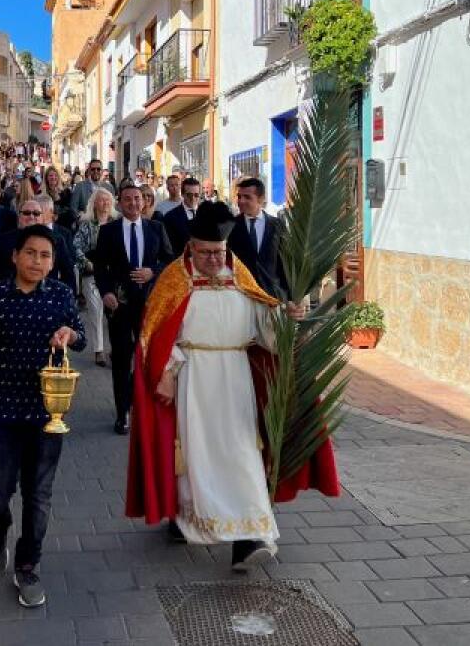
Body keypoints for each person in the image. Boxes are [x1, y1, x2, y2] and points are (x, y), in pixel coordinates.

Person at [125, 202, 340, 571]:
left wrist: (287, 317)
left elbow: (266, 332)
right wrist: (167, 372)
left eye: (219, 252)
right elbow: (154, 336)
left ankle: (249, 537)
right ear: (191, 247)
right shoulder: (174, 281)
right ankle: (187, 517)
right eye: (206, 252)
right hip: (195, 381)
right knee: (196, 459)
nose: (213, 259)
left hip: (237, 381)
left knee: (242, 453)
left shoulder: (241, 279)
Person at [0, 224, 85, 609]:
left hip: (47, 412)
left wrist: (70, 333)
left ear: (53, 263)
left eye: (45, 255)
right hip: (1, 405)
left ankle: (28, 564)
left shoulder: (63, 296)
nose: (38, 261)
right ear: (16, 256)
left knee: (39, 495)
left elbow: (80, 334)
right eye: (31, 253)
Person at [94, 183, 174, 435]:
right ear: (119, 203)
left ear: (144, 201)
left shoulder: (156, 228)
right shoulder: (108, 231)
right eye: (127, 199)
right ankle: (122, 412)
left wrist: (153, 271)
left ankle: (140, 403)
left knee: (148, 357)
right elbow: (100, 266)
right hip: (119, 305)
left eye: (137, 199)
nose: (133, 203)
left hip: (150, 305)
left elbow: (170, 260)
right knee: (121, 359)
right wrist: (106, 291)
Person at [0, 198, 77, 291]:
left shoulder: (57, 240)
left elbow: (68, 273)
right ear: (19, 216)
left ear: (42, 218)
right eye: (27, 213)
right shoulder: (4, 240)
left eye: (36, 213)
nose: (31, 217)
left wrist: (67, 299)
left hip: (48, 297)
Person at [227, 177, 289, 299]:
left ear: (260, 199)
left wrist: (289, 297)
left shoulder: (277, 225)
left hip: (272, 297)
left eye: (247, 197)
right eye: (239, 196)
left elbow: (284, 263)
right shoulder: (231, 226)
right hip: (242, 296)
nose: (241, 201)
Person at [74, 187, 115, 367]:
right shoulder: (87, 225)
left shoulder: (117, 223)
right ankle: (99, 350)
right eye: (101, 200)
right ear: (94, 203)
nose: (104, 203)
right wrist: (86, 263)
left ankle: (115, 348)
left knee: (114, 313)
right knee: (96, 311)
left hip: (113, 274)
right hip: (92, 273)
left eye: (107, 200)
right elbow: (75, 247)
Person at [161, 176, 202, 257]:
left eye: (196, 195)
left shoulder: (208, 215)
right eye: (189, 195)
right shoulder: (170, 217)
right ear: (182, 194)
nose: (193, 198)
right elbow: (169, 249)